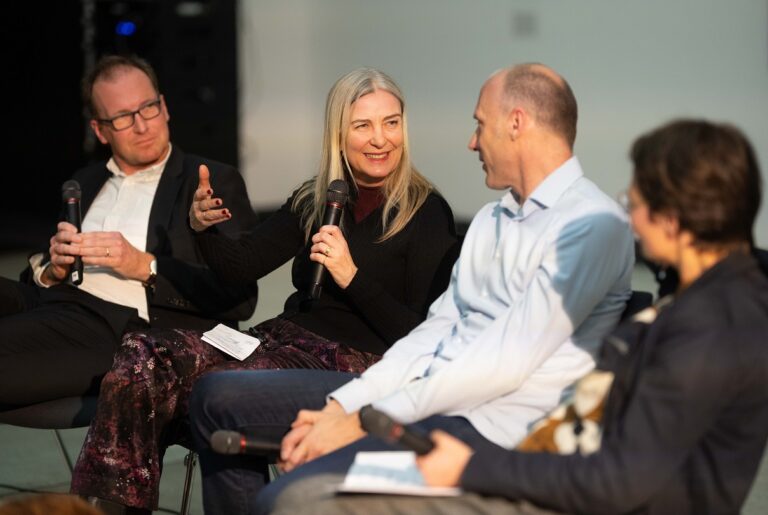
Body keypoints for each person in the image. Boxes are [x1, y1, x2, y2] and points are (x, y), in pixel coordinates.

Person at [188, 62, 636, 514]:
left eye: (480, 124)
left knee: (292, 495)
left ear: (516, 124)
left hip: (497, 430)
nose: (472, 141)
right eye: (363, 126)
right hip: (438, 407)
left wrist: (366, 417)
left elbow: (504, 364)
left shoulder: (590, 224)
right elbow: (433, 333)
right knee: (239, 425)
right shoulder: (492, 219)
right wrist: (344, 406)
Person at [286, 119, 768, 515]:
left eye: (637, 202)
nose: (631, 216)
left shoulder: (713, 328)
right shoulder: (701, 292)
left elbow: (618, 482)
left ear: (674, 219)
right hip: (548, 463)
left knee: (304, 501)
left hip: (567, 487)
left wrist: (470, 467)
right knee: (305, 494)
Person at [69, 67, 459, 513]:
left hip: (350, 360)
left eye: (391, 123)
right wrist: (203, 230)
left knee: (219, 394)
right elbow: (240, 268)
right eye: (363, 126)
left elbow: (426, 336)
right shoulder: (319, 198)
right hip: (275, 341)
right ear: (339, 133)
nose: (380, 139)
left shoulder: (426, 213)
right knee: (143, 352)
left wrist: (353, 277)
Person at [0, 55, 258, 409]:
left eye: (148, 108)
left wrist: (145, 267)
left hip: (120, 325)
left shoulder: (209, 180)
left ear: (164, 107)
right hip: (52, 299)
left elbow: (240, 297)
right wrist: (51, 271)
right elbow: (35, 280)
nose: (141, 126)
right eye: (122, 117)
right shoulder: (86, 180)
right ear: (100, 130)